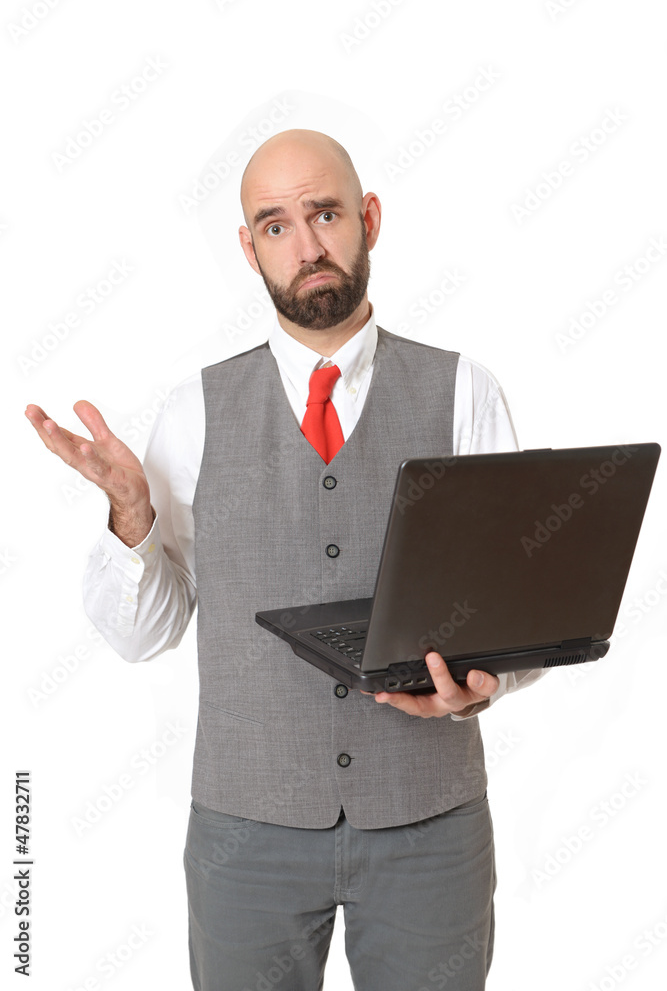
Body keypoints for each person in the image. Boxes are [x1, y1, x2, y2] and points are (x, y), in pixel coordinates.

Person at [26, 129, 547, 991]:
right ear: (249, 248)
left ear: (368, 218)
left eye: (325, 214)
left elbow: (517, 610)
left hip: (429, 823)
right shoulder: (194, 409)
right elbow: (143, 636)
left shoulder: (463, 390)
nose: (305, 247)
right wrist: (131, 516)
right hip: (245, 832)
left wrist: (487, 685)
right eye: (275, 225)